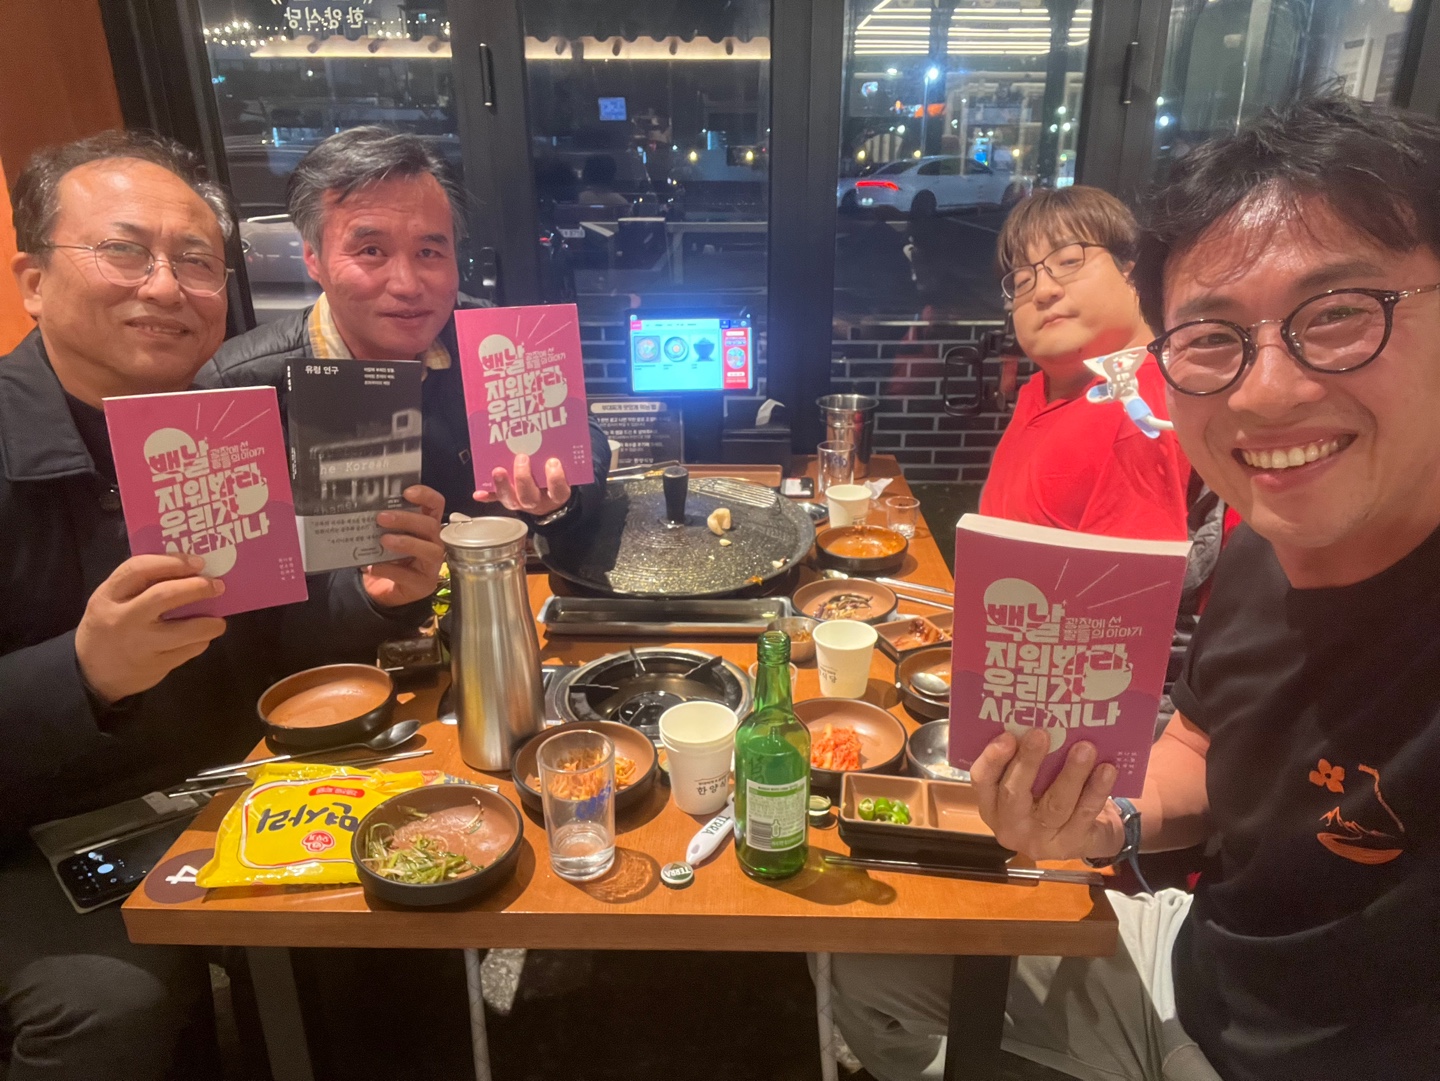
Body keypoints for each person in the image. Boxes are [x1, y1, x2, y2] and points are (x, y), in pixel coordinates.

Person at [827, 95, 1440, 1081]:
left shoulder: (1136, 427)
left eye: (1337, 315)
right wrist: (1106, 814)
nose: (1267, 389)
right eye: (1214, 336)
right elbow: (1198, 742)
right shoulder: (1266, 543)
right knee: (860, 960)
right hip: (1194, 958)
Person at [0, 130, 444, 1080]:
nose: (166, 287)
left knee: (409, 892)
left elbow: (281, 630)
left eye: (196, 261)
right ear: (34, 281)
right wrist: (81, 674)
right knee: (111, 1005)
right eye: (125, 252)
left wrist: (369, 599)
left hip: (230, 778)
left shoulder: (223, 425)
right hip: (33, 834)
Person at [200, 126, 610, 528]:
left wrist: (558, 502)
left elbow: (579, 432)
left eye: (428, 252)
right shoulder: (237, 389)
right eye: (371, 251)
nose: (407, 285)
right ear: (313, 258)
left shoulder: (489, 341)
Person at [981, 185, 1191, 542]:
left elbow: (1123, 575)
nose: (1043, 291)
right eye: (1023, 280)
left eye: (1068, 262)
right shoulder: (1043, 390)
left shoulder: (1139, 410)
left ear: (1132, 275)